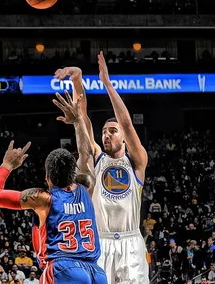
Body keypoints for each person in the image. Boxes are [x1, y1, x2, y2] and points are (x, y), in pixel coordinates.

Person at [0, 91, 107, 284]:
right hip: (96, 272)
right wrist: (77, 121)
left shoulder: (43, 199)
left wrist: (6, 166)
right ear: (75, 174)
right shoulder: (86, 185)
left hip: (63, 268)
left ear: (47, 176)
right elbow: (86, 153)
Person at [54, 51, 149, 284]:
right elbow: (82, 117)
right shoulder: (97, 158)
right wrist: (77, 80)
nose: (106, 135)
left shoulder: (136, 161)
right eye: (104, 132)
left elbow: (126, 123)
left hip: (131, 242)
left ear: (124, 138)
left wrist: (107, 83)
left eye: (112, 131)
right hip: (102, 242)